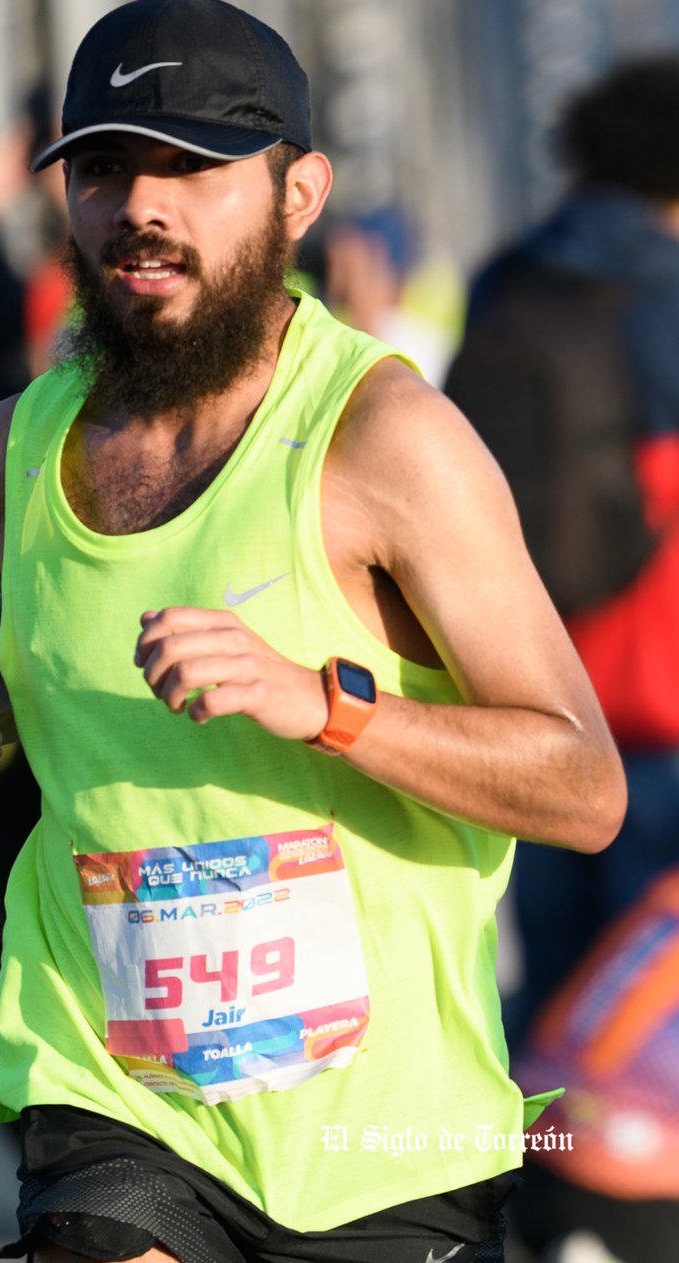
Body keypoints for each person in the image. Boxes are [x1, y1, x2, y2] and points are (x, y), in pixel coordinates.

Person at [0, 2, 626, 1261]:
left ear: (298, 194)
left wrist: (324, 704)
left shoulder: (385, 443)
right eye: (106, 167)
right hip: (117, 1095)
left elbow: (580, 786)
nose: (140, 206)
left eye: (192, 167)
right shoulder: (9, 448)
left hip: (377, 1138)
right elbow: (46, 636)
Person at [445, 56, 679, 1051]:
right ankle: (630, 1195)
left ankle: (537, 1178)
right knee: (647, 993)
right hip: (659, 691)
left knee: (548, 968)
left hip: (526, 682)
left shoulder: (509, 274)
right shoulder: (664, 296)